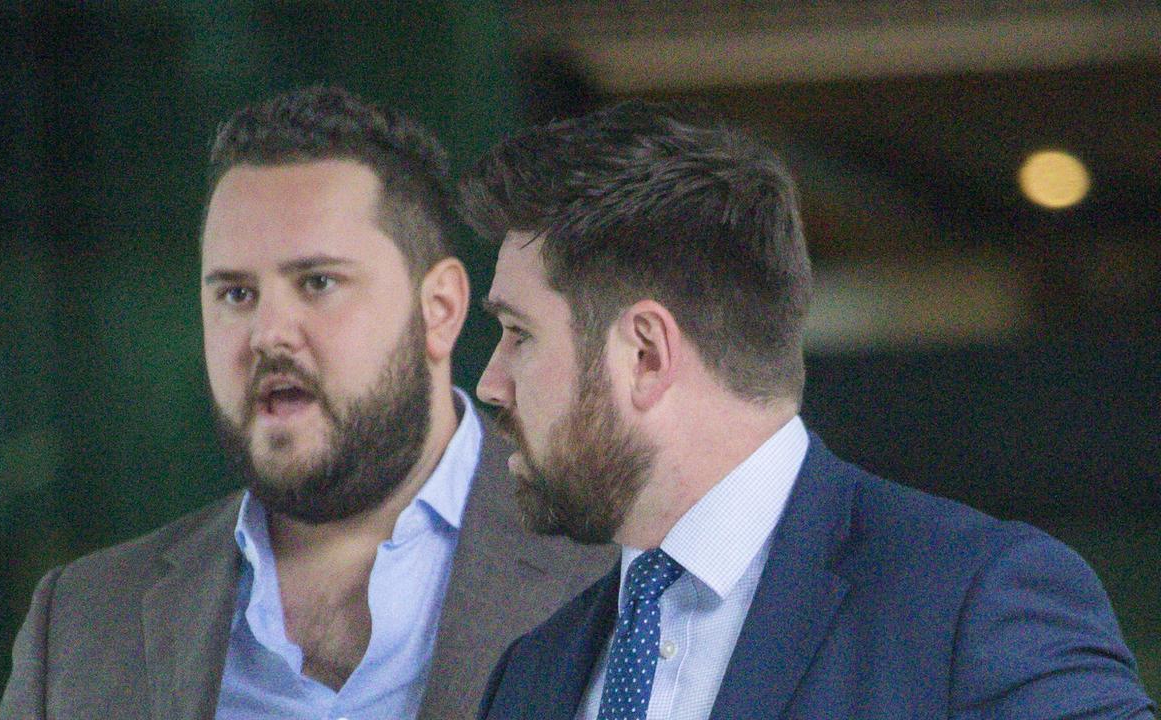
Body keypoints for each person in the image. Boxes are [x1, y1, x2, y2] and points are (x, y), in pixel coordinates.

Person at [459, 101, 1156, 720]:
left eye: (518, 333)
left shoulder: (971, 604)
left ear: (645, 353)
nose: (490, 382)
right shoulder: (532, 673)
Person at [0, 86, 613, 720]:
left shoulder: (612, 574)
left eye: (318, 283)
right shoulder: (84, 622)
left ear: (441, 308)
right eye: (236, 294)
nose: (268, 333)